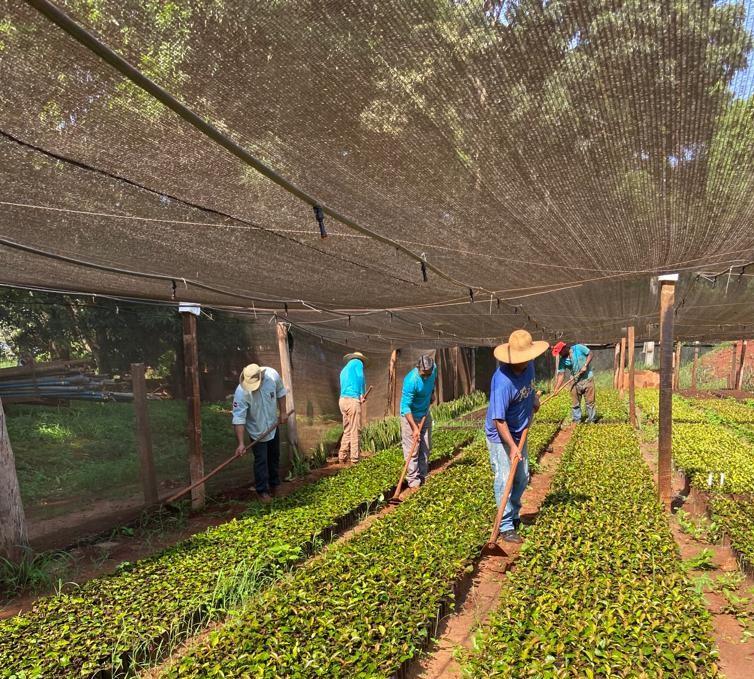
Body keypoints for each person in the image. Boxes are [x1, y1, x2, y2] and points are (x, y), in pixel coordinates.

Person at [485, 329, 548, 543]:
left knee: (522, 476)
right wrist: (512, 446)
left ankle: (514, 515)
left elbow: (529, 389)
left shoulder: (529, 366)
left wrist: (534, 401)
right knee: (505, 478)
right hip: (501, 435)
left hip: (521, 430)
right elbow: (498, 420)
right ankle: (504, 526)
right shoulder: (501, 381)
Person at [231, 363, 288, 503]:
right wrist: (241, 443)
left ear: (261, 377)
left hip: (273, 426)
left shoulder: (272, 376)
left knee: (274, 456)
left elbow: (281, 392)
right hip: (257, 431)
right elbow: (239, 418)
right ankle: (262, 491)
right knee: (261, 461)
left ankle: (275, 485)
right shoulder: (241, 392)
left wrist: (283, 412)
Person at [399, 354, 437, 488]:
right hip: (410, 416)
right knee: (412, 449)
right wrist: (414, 428)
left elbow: (432, 382)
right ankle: (413, 481)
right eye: (423, 374)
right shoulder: (411, 380)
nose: (426, 376)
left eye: (428, 373)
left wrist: (432, 394)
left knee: (426, 446)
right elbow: (405, 407)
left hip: (425, 413)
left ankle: (422, 475)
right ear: (418, 368)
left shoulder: (434, 369)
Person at [552, 341, 596, 423]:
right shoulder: (562, 360)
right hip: (574, 381)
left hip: (587, 379)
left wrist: (585, 365)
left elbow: (590, 353)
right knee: (575, 403)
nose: (560, 354)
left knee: (590, 402)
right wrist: (556, 389)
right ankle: (577, 420)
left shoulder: (578, 347)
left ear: (564, 348)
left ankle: (592, 420)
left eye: (560, 352)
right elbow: (561, 374)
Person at [338, 351, 368, 464]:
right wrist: (361, 394)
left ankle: (342, 456)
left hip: (342, 400)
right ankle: (355, 459)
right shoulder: (358, 362)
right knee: (355, 429)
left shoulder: (344, 370)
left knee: (347, 429)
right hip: (352, 400)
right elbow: (360, 378)